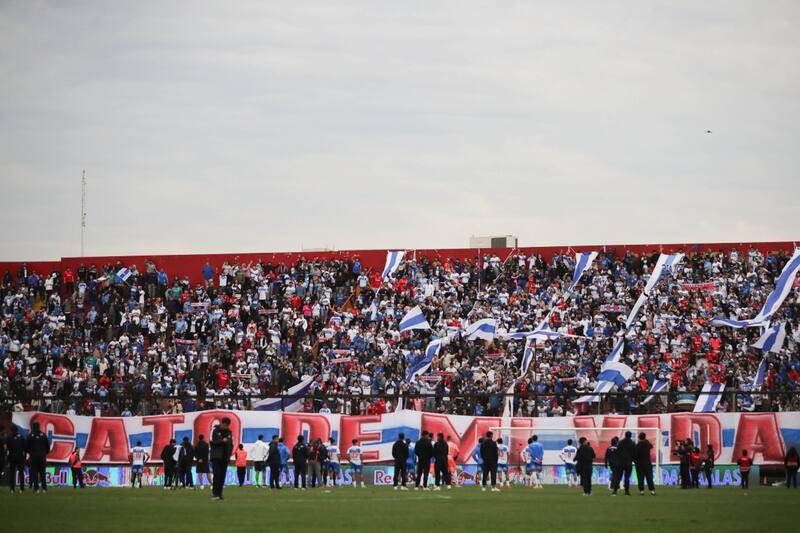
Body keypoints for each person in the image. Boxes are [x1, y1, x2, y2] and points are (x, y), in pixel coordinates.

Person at [210, 417, 234, 500]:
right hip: (216, 456)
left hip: (225, 457)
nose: (225, 427)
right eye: (224, 425)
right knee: (217, 475)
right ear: (222, 423)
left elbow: (231, 444)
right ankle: (215, 493)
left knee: (222, 476)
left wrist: (229, 454)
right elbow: (212, 443)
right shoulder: (215, 431)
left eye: (227, 425)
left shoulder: (229, 432)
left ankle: (220, 494)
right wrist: (221, 441)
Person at [26, 421, 51, 493]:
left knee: (34, 473)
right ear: (39, 427)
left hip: (33, 457)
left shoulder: (30, 436)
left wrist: (31, 452)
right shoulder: (43, 435)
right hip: (42, 457)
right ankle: (44, 488)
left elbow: (26, 447)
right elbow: (48, 447)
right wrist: (44, 453)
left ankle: (36, 488)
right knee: (43, 473)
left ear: (33, 427)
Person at [615, 431, 636, 496]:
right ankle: (626, 492)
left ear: (625, 435)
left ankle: (615, 491)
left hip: (620, 462)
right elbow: (634, 453)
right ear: (630, 436)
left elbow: (617, 452)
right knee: (627, 478)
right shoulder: (633, 443)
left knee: (618, 477)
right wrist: (632, 460)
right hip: (628, 463)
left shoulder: (620, 442)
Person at [7, 425, 26, 493]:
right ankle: (22, 489)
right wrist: (24, 457)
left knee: (12, 473)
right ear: (17, 430)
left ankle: (12, 489)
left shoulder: (8, 437)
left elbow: (7, 448)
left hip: (12, 456)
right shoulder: (21, 437)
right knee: (21, 473)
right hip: (20, 457)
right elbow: (25, 447)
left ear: (11, 429)